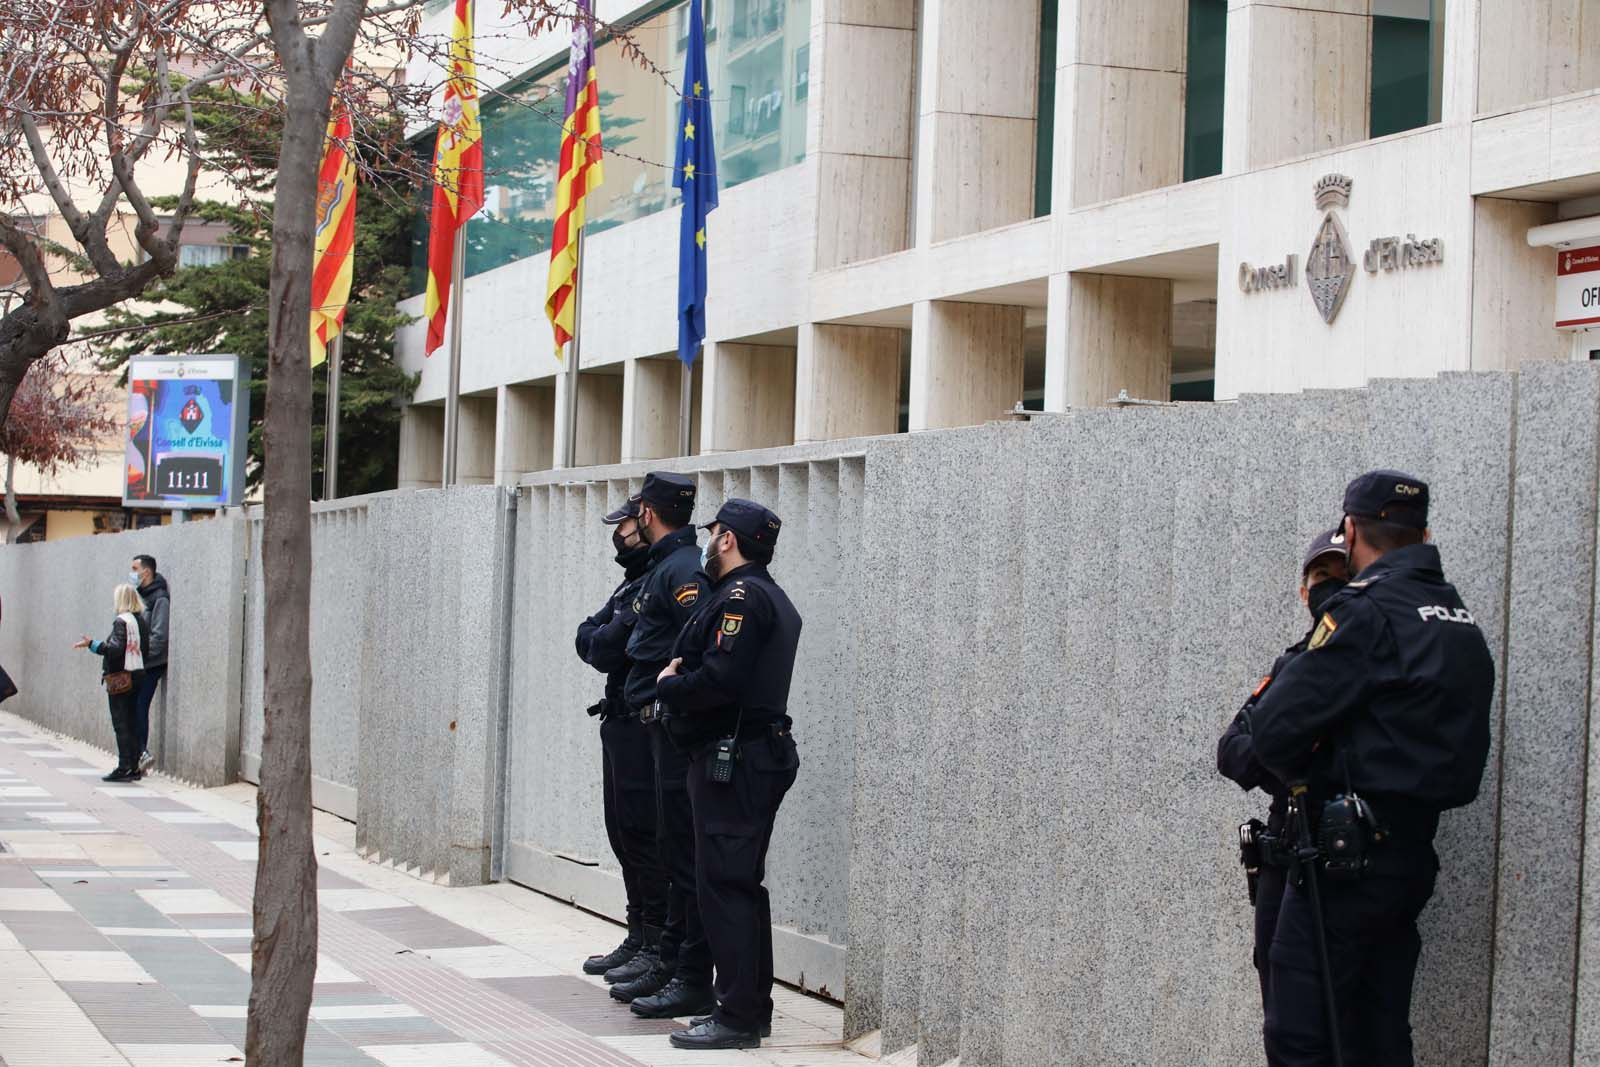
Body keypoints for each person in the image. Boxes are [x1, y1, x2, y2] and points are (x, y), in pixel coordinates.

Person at [1246, 471, 1495, 1067]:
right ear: (1424, 532)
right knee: (1379, 1034)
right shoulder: (1457, 620)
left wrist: (1312, 762)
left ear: (1351, 530)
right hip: (1408, 854)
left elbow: (1270, 731)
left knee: (1304, 1035)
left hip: (1344, 867)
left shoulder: (1367, 612)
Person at [655, 498, 802, 1051]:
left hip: (734, 760)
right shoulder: (765, 596)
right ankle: (748, 1008)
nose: (707, 541)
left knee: (725, 886)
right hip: (746, 755)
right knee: (739, 884)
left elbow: (719, 678)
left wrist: (670, 683)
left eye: (712, 531)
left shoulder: (742, 598)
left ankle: (737, 1016)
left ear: (727, 540)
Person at [1218, 528, 1350, 1020]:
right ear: (1303, 590)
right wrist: (1294, 750)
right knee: (1278, 1000)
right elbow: (1232, 751)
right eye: (1321, 575)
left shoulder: (1361, 661)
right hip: (1283, 851)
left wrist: (1279, 748)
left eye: (1343, 574)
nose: (1330, 584)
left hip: (1336, 858)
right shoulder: (1293, 664)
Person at [608, 471, 713, 1021]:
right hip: (652, 723)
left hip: (669, 725)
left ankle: (679, 966)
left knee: (676, 852)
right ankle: (667, 958)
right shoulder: (663, 568)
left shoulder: (681, 569)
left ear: (646, 513)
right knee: (660, 843)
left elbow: (689, 643)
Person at [574, 498, 668, 976]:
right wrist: (600, 636)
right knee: (623, 833)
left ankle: (655, 942)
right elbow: (588, 635)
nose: (619, 532)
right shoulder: (635, 578)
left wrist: (602, 636)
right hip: (619, 719)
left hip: (641, 722)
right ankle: (639, 934)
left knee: (643, 833)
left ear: (645, 520)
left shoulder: (660, 579)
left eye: (624, 523)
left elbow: (609, 647)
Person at [74, 583, 150, 783]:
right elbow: (145, 649)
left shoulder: (121, 621)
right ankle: (133, 766)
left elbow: (115, 649)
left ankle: (125, 766)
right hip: (138, 675)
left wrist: (93, 644)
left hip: (121, 679)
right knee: (132, 721)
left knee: (121, 723)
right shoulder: (140, 621)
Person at [131, 555, 169, 773]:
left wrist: (141, 658)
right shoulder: (143, 595)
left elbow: (159, 636)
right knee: (135, 708)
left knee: (139, 707)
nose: (132, 572)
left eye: (135, 568)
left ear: (146, 572)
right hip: (139, 663)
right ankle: (138, 755)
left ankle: (141, 755)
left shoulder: (159, 598)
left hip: (150, 665)